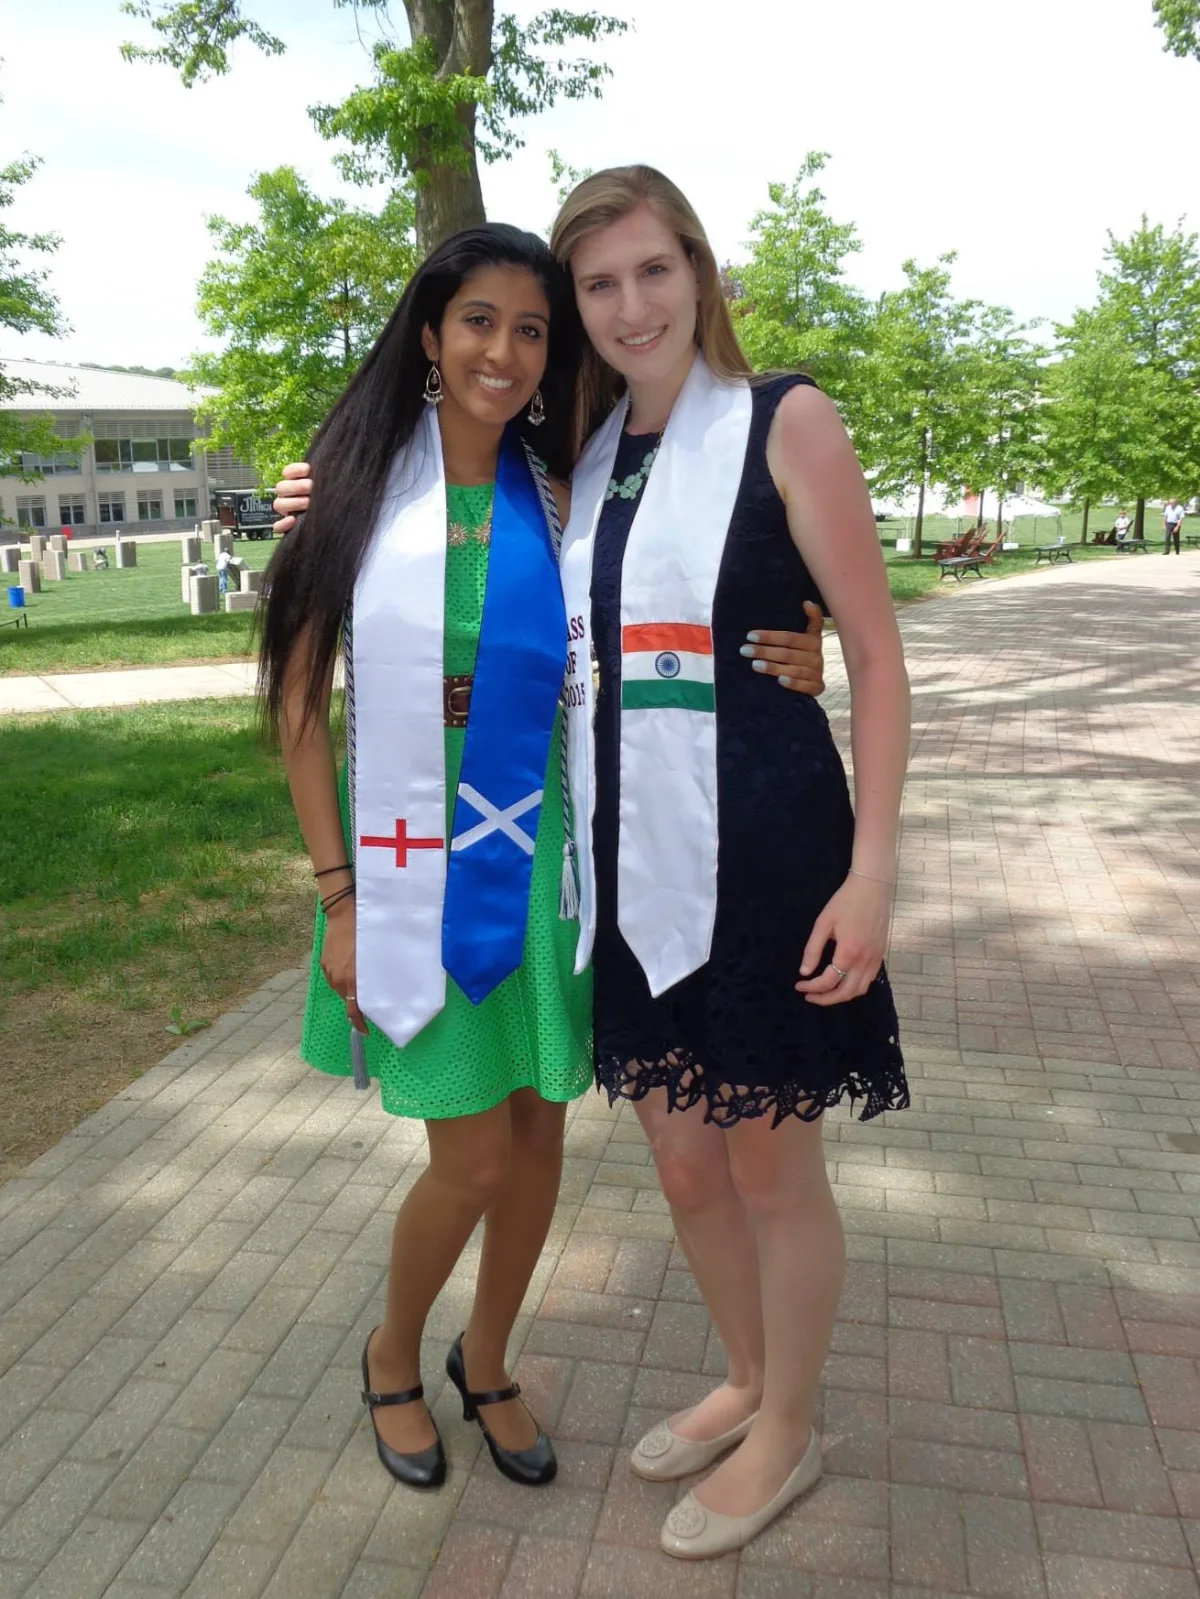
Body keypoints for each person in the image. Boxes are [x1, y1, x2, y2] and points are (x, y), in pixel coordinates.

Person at [264, 223, 828, 1501]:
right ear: (428, 333)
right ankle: (392, 1353)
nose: (505, 353)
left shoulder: (562, 489)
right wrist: (339, 898)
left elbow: (678, 597)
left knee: (537, 1147)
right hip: (407, 876)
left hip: (537, 873)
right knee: (465, 1160)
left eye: (531, 330)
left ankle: (491, 1355)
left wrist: (800, 649)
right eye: (478, 323)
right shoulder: (350, 500)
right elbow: (301, 714)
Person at [549, 165, 909, 1561]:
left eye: (652, 270)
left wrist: (871, 870)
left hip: (767, 856)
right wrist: (307, 489)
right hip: (629, 866)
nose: (631, 305)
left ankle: (793, 1425)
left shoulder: (784, 419)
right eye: (600, 283)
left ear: (698, 271)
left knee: (769, 1169)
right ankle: (753, 1379)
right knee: (685, 1166)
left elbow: (873, 653)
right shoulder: (584, 459)